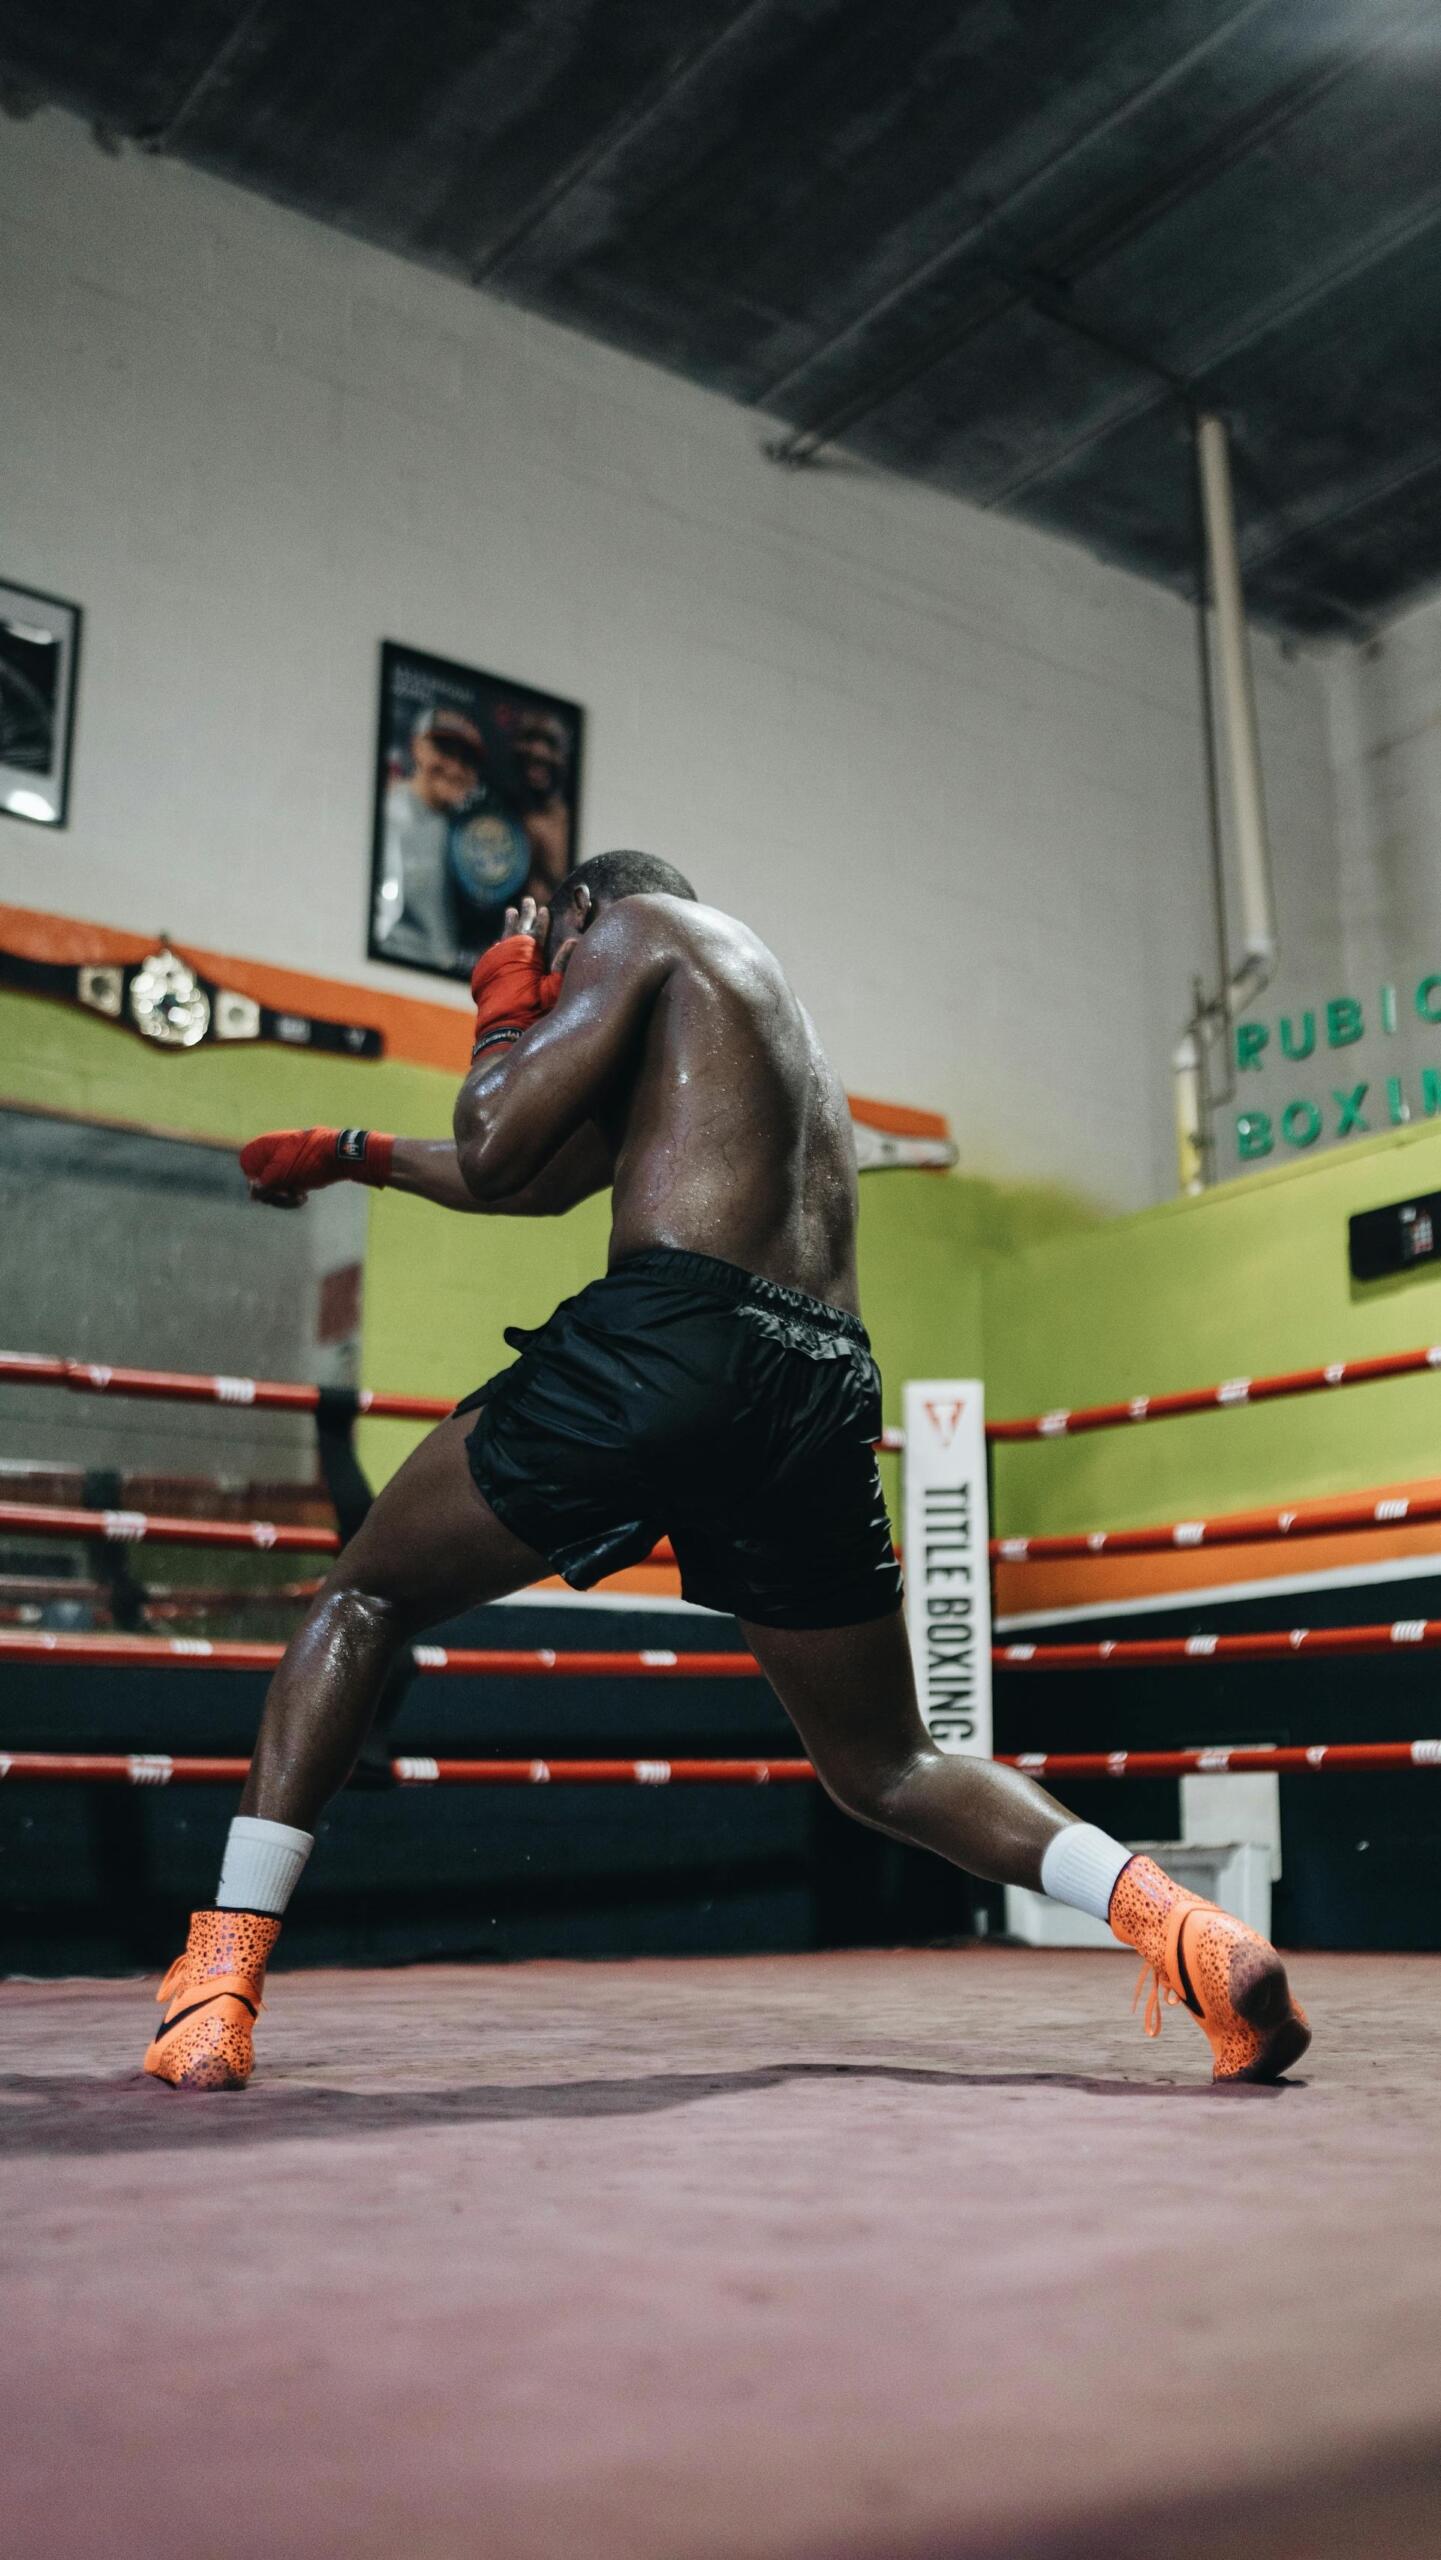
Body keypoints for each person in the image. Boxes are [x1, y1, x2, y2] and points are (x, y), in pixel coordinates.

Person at [144, 853, 1311, 2092]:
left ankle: (218, 1977)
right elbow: (533, 1181)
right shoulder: (756, 1032)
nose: (552, 968)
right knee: (891, 1765)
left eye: (556, 940)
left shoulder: (636, 926)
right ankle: (1182, 1929)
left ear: (584, 913)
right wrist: (353, 1149)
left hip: (675, 1339)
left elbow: (491, 1141)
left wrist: (504, 982)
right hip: (813, 1380)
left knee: (363, 1597)